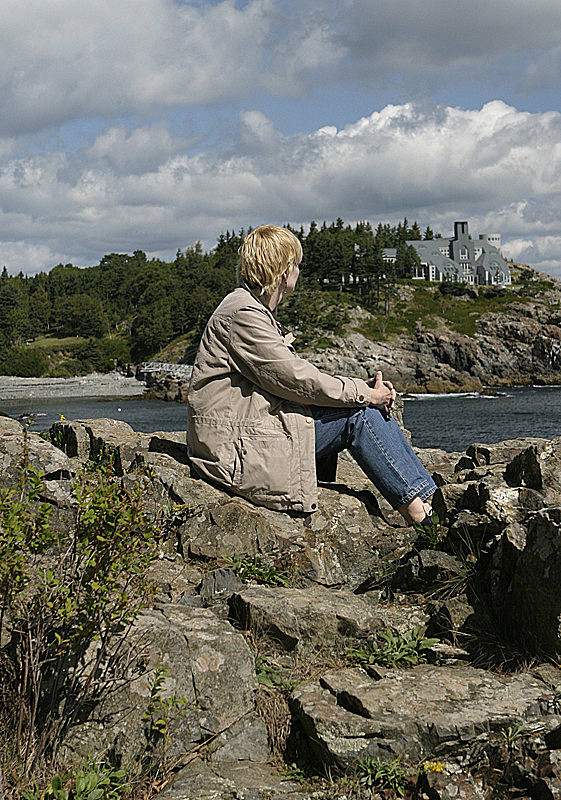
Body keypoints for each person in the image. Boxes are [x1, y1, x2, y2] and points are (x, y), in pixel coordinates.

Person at [187, 225, 435, 524]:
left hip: (240, 435)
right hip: (236, 449)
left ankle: (421, 500)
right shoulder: (243, 313)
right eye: (297, 264)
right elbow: (294, 378)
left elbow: (290, 378)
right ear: (282, 270)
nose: (299, 271)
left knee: (354, 405)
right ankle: (419, 513)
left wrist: (360, 387)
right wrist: (366, 394)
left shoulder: (248, 308)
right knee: (360, 414)